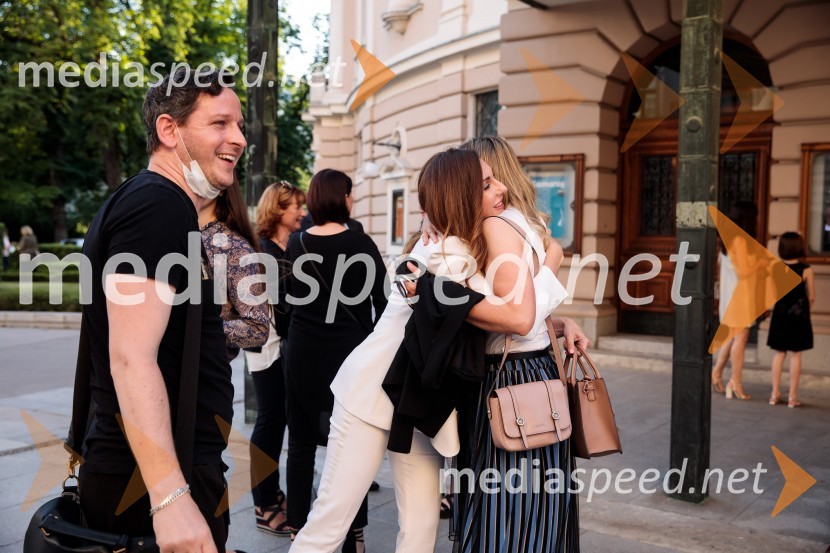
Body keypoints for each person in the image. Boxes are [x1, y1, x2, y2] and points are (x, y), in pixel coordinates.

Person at [290, 148, 585, 553]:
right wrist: (552, 258)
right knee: (329, 525)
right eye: (486, 184)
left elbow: (495, 316)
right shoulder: (444, 254)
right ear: (461, 196)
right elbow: (517, 316)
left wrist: (558, 321)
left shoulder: (464, 243)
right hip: (371, 396)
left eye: (494, 179)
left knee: (421, 531)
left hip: (419, 401)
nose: (501, 188)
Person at [77, 67, 246, 553]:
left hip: (155, 469)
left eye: (239, 126)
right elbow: (131, 358)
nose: (237, 138)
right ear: (169, 130)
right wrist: (171, 498)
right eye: (219, 124)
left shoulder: (153, 203)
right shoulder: (157, 206)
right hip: (149, 481)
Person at [451, 137, 582, 553]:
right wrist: (556, 306)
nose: (488, 188)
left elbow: (517, 317)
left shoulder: (496, 225)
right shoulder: (527, 225)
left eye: (484, 178)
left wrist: (551, 273)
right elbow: (528, 315)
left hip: (512, 376)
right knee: (537, 504)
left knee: (506, 506)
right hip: (537, 371)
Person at [283, 168, 389, 550]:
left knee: (300, 442)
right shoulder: (361, 244)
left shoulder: (296, 243)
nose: (352, 201)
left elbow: (287, 300)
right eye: (350, 194)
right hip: (351, 357)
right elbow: (384, 304)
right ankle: (354, 534)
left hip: (303, 353)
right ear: (341, 199)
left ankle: (298, 529)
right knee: (350, 446)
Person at [244, 180, 307, 535]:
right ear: (278, 209)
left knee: (279, 419)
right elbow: (280, 302)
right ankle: (264, 504)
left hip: (284, 343)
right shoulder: (264, 249)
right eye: (296, 205)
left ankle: (273, 493)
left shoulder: (291, 244)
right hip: (266, 344)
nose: (302, 211)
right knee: (269, 421)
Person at [199, 176, 269, 361]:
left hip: (208, 370)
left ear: (220, 189)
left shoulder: (233, 247)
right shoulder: (184, 234)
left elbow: (258, 328)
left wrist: (197, 331)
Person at [712, 201, 760, 400]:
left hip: (730, 295)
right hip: (740, 297)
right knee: (741, 338)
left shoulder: (727, 239)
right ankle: (736, 382)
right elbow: (744, 271)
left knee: (732, 337)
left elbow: (721, 267)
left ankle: (716, 374)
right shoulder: (740, 241)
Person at [767, 232, 814, 408]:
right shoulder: (806, 269)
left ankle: (774, 394)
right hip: (799, 316)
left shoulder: (776, 267)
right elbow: (812, 297)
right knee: (796, 354)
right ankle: (792, 398)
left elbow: (772, 294)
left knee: (779, 353)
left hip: (779, 315)